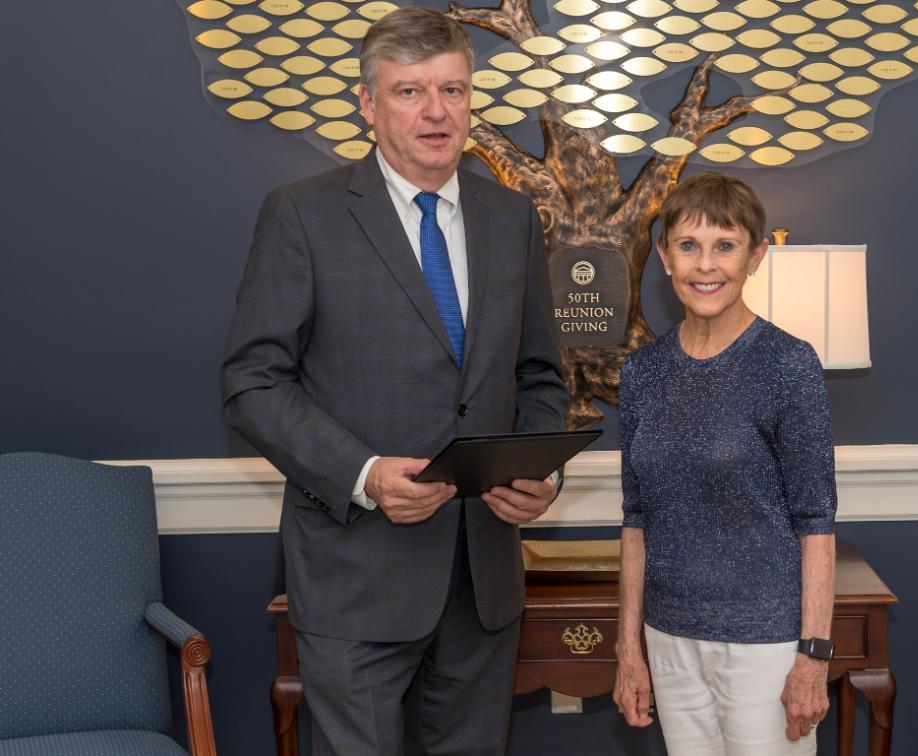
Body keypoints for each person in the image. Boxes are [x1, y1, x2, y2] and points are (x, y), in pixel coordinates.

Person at [219, 7, 569, 754]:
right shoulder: (302, 216)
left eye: (454, 90)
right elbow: (252, 382)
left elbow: (539, 374)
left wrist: (536, 471)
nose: (437, 112)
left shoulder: (512, 219)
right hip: (356, 578)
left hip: (483, 583)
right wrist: (366, 473)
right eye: (411, 92)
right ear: (368, 105)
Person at [613, 173, 837, 755]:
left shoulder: (789, 365)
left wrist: (813, 657)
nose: (705, 265)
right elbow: (635, 521)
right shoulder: (641, 374)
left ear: (756, 255)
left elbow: (816, 524)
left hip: (766, 644)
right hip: (667, 639)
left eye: (725, 245)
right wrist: (627, 648)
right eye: (688, 246)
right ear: (665, 257)